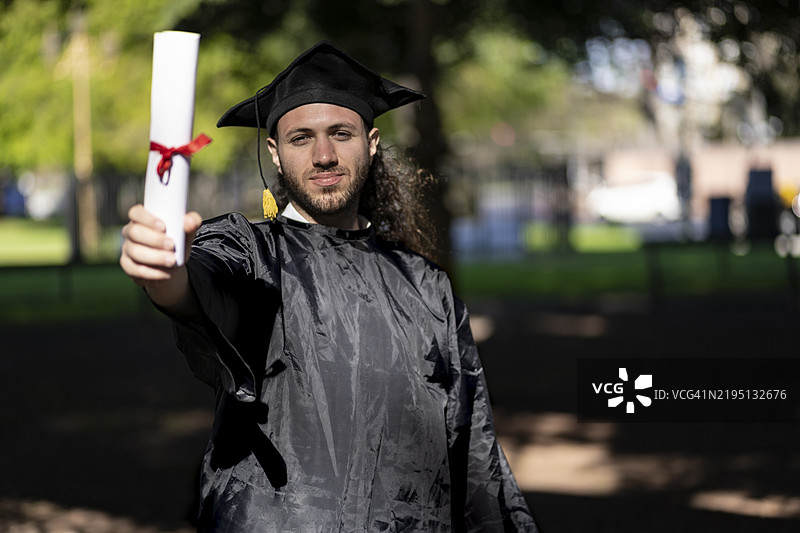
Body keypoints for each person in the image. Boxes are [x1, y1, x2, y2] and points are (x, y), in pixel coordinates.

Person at [120, 41, 537, 532]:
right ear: (275, 152)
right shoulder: (254, 253)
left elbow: (473, 454)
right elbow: (201, 286)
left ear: (372, 142)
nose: (323, 155)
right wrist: (166, 274)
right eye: (301, 138)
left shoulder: (427, 287)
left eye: (341, 133)